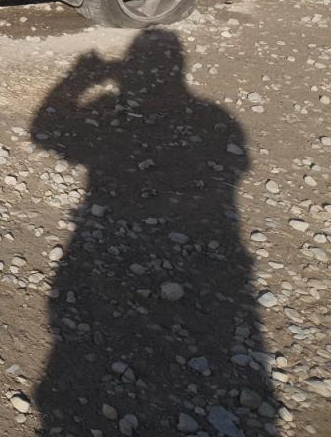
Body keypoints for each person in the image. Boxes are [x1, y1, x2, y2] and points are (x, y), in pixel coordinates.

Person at [31, 30, 276, 436]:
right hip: (216, 260)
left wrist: (78, 79)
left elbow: (44, 134)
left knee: (78, 343)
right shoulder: (218, 120)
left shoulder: (111, 109)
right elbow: (236, 169)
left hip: (107, 239)